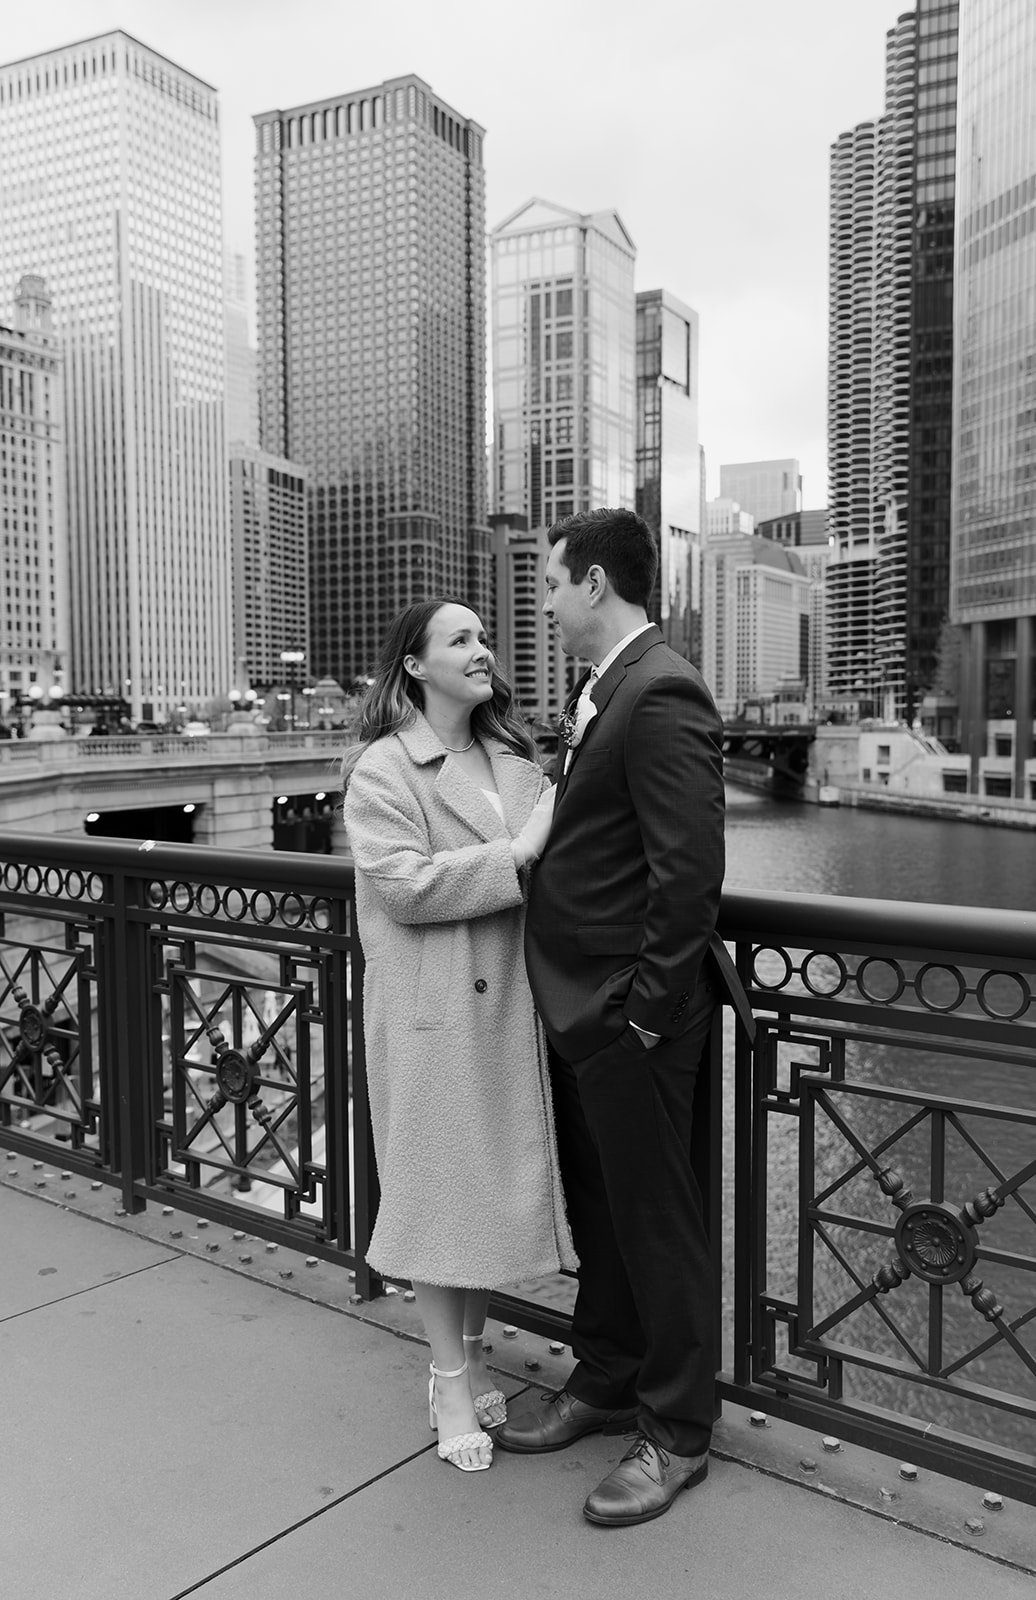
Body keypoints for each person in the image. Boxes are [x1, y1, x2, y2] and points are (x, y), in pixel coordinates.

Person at [496, 507, 754, 1526]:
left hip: (625, 1015)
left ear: (594, 583)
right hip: (581, 1008)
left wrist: (642, 1015)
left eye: (555, 582)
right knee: (602, 1210)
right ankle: (605, 1379)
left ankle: (678, 1430)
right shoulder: (606, 693)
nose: (548, 602)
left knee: (656, 1220)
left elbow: (688, 875)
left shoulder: (663, 689)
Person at [341, 598, 576, 1475]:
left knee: (480, 1189)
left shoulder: (513, 759)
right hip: (432, 1010)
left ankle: (473, 1350)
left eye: (484, 637)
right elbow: (402, 888)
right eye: (461, 640)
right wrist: (519, 854)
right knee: (439, 1195)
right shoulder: (383, 770)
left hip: (511, 1003)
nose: (483, 651)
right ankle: (447, 1377)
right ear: (415, 664)